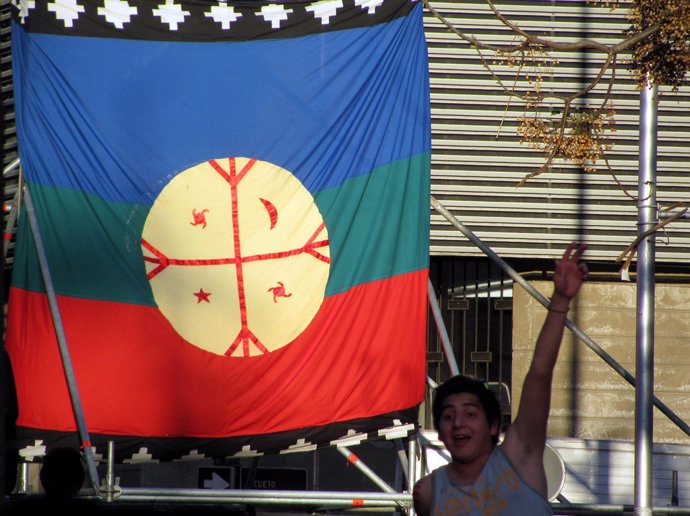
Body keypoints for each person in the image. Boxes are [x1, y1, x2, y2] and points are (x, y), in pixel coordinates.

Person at [413, 242, 587, 516]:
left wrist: (561, 300)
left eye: (470, 413)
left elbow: (539, 374)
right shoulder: (428, 492)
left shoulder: (520, 459)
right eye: (448, 416)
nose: (458, 423)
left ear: (493, 425)